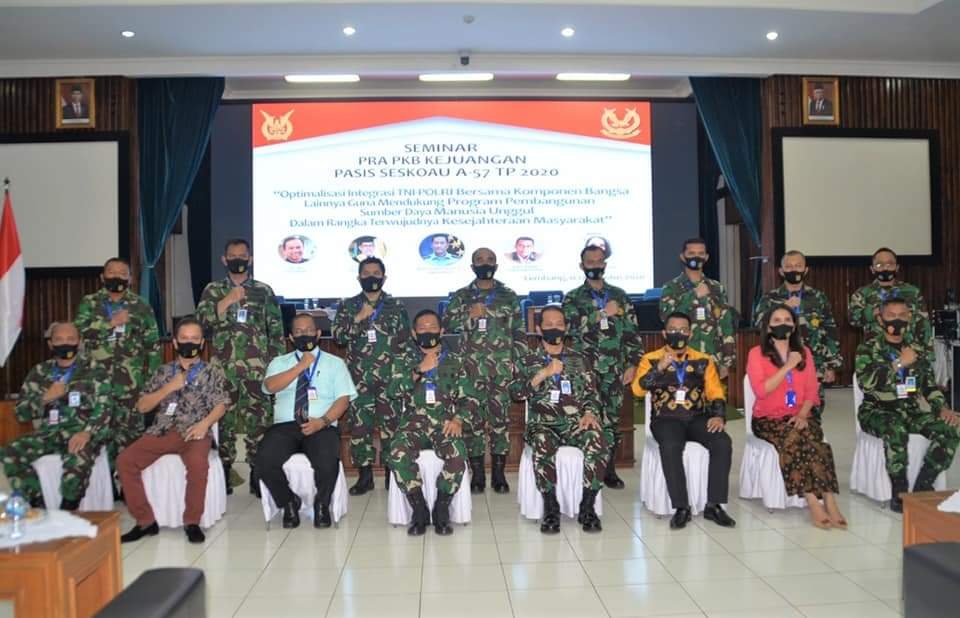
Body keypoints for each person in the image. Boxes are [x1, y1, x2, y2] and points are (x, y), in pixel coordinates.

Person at [117, 317, 230, 544]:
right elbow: (142, 406)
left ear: (202, 343)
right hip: (163, 431)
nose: (190, 343)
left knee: (198, 466)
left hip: (194, 432)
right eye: (184, 338)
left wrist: (204, 424)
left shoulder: (212, 372)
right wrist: (169, 387)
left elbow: (222, 404)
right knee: (125, 461)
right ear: (175, 343)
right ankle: (145, 521)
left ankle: (192, 522)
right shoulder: (163, 372)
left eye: (195, 339)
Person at [196, 238, 285, 495]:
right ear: (224, 260)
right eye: (233, 256)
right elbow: (200, 324)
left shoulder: (263, 291)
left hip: (257, 370)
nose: (238, 260)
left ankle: (258, 472)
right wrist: (226, 301)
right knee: (223, 421)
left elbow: (276, 332)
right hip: (223, 370)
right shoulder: (213, 290)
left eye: (243, 256)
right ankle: (224, 471)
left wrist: (275, 366)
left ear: (250, 259)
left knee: (260, 422)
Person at [855, 298, 960, 512]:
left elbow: (929, 386)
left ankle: (923, 485)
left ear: (909, 317)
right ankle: (899, 491)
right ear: (880, 319)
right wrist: (900, 363)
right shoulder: (868, 348)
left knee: (951, 427)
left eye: (902, 315)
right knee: (896, 428)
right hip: (877, 411)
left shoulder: (917, 349)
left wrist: (942, 408)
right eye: (891, 315)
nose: (897, 320)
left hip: (910, 411)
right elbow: (866, 383)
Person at [632, 312, 736, 530]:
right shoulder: (650, 358)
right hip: (665, 419)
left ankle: (714, 505)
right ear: (664, 333)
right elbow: (637, 390)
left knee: (722, 442)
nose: (677, 333)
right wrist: (658, 368)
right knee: (671, 445)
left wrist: (718, 415)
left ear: (690, 333)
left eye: (682, 330)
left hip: (697, 417)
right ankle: (681, 507)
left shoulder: (703, 359)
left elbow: (715, 392)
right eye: (672, 329)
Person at [747, 305, 846, 529]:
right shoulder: (757, 353)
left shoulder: (805, 352)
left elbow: (812, 390)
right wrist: (788, 366)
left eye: (787, 320)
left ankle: (829, 499)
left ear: (793, 326)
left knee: (815, 441)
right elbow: (761, 391)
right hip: (768, 419)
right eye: (777, 320)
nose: (782, 324)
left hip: (800, 415)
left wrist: (803, 414)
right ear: (768, 327)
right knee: (794, 439)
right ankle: (812, 501)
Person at [511, 306, 606, 534]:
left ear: (566, 328)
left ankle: (587, 507)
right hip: (542, 424)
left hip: (575, 423)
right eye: (549, 324)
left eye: (559, 324)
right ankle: (551, 508)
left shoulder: (579, 359)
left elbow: (592, 395)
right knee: (542, 442)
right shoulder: (527, 359)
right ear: (539, 329)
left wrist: (590, 413)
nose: (555, 328)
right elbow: (516, 394)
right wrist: (543, 373)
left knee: (598, 439)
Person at [257, 313, 357, 528]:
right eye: (299, 332)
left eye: (310, 330)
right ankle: (288, 502)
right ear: (291, 337)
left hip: (321, 424)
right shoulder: (279, 362)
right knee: (264, 460)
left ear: (318, 334)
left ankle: (322, 504)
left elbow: (343, 400)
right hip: (285, 426)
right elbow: (270, 387)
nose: (305, 335)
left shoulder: (335, 363)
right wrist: (300, 367)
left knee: (327, 461)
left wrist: (323, 421)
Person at [0, 322, 108, 510]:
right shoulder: (40, 372)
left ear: (79, 342)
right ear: (50, 344)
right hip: (48, 434)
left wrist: (88, 432)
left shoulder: (94, 369)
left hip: (81, 432)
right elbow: (21, 413)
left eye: (71, 339)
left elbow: (105, 407)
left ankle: (68, 508)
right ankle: (37, 503)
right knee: (9, 453)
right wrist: (45, 398)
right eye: (59, 339)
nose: (65, 344)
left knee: (78, 458)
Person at [442, 247, 524, 494]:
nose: (485, 263)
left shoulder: (508, 295)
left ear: (496, 265)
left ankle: (499, 474)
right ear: (472, 266)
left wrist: (519, 365)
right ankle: (477, 474)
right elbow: (447, 324)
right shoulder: (461, 296)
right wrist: (469, 315)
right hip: (469, 371)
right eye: (479, 260)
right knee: (472, 422)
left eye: (490, 260)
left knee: (500, 422)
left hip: (501, 369)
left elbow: (518, 332)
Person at [562, 245, 643, 489]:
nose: (595, 266)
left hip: (614, 368)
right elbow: (569, 327)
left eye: (599, 261)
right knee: (583, 415)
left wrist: (633, 363)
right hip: (583, 369)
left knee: (611, 419)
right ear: (582, 266)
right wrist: (602, 314)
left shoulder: (620, 295)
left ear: (605, 265)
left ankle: (608, 469)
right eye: (590, 262)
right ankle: (586, 465)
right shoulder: (573, 297)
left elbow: (632, 333)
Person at [386, 310, 471, 536]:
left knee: (458, 453)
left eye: (432, 327)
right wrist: (418, 370)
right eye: (422, 328)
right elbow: (393, 392)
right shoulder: (403, 359)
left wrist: (458, 419)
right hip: (413, 423)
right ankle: (419, 508)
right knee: (397, 452)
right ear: (414, 334)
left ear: (441, 331)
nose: (427, 332)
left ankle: (442, 507)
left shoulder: (455, 360)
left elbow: (469, 398)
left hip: (445, 423)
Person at [332, 257, 410, 495]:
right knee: (359, 428)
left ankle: (391, 474)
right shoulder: (348, 306)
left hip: (390, 379)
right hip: (359, 379)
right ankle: (364, 476)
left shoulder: (396, 306)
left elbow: (406, 343)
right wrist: (358, 318)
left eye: (376, 273)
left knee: (392, 428)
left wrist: (402, 376)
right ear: (359, 277)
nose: (371, 277)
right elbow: (338, 338)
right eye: (366, 273)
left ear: (384, 277)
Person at [75, 257, 160, 463]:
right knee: (96, 440)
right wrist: (110, 322)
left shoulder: (141, 306)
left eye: (123, 274)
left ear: (130, 279)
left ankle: (125, 478)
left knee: (131, 441)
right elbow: (77, 333)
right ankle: (103, 480)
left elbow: (153, 347)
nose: (117, 277)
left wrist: (151, 385)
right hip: (95, 386)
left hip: (131, 387)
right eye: (112, 273)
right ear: (102, 277)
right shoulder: (89, 303)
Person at [753, 250, 842, 420]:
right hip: (778, 363)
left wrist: (831, 364)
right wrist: (782, 308)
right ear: (781, 271)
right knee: (779, 409)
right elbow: (759, 325)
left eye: (798, 266)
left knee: (812, 412)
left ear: (806, 270)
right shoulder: (770, 298)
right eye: (789, 266)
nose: (794, 270)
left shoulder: (817, 297)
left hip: (813, 362)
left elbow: (830, 329)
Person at [659, 238, 736, 379]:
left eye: (700, 254)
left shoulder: (716, 288)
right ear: (683, 257)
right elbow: (666, 317)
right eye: (691, 253)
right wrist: (693, 296)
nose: (696, 257)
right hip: (681, 357)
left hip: (712, 358)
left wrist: (727, 361)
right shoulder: (671, 287)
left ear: (706, 257)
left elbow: (725, 325)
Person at [849, 247, 932, 352]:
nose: (885, 268)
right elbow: (853, 320)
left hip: (907, 350)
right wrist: (874, 312)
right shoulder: (863, 293)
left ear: (897, 267)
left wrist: (928, 352)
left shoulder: (912, 292)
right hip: (876, 352)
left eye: (890, 264)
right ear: (872, 269)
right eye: (879, 265)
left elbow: (924, 325)